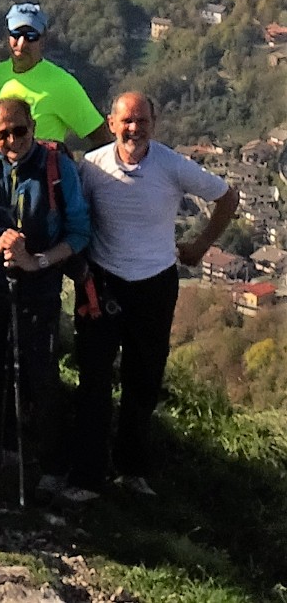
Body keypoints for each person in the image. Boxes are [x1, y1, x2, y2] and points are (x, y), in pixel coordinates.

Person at [67, 92, 239, 500]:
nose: (133, 129)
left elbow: (227, 196)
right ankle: (87, 476)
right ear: (110, 124)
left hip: (154, 285)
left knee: (143, 381)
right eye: (126, 121)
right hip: (103, 282)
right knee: (93, 379)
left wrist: (200, 245)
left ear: (154, 124)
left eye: (141, 121)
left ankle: (132, 471)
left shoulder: (171, 164)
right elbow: (78, 218)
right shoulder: (92, 167)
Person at [0, 97, 90, 481]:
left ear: (33, 126)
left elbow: (79, 232)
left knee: (41, 371)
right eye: (2, 134)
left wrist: (38, 261)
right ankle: (3, 447)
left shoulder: (57, 168)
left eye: (19, 130)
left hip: (40, 288)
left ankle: (52, 463)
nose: (12, 140)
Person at [0, 3, 111, 147]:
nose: (21, 43)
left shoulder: (62, 84)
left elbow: (102, 138)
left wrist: (76, 168)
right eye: (16, 34)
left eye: (31, 36)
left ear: (43, 40)